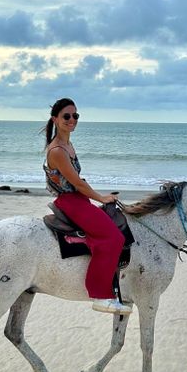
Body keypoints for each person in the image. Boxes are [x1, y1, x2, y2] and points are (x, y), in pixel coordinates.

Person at [43, 98, 127, 315]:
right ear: (55, 119)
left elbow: (78, 181)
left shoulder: (68, 145)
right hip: (71, 202)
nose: (72, 120)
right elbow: (77, 183)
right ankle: (100, 295)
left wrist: (100, 196)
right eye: (67, 116)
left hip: (79, 199)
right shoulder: (57, 151)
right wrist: (101, 198)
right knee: (114, 238)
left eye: (75, 116)